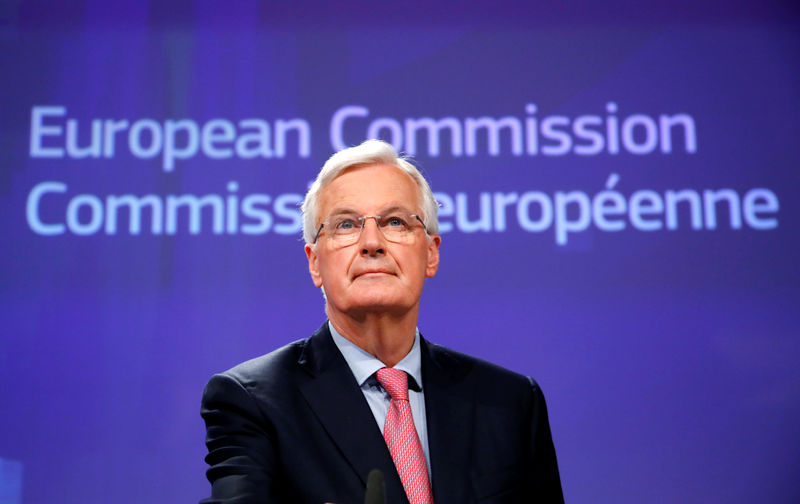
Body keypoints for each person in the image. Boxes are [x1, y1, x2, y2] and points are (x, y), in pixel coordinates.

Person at [200, 139, 564, 504]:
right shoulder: (253, 401)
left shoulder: (511, 403)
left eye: (395, 222)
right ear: (314, 263)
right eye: (345, 224)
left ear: (431, 253)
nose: (371, 242)